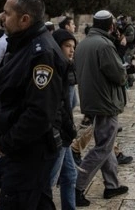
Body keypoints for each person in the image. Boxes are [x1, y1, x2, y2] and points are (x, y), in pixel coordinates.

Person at [0, 0, 66, 209]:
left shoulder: (42, 54)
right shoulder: (24, 45)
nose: (1, 17)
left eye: (6, 13)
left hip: (29, 152)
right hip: (25, 150)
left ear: (24, 19)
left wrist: (7, 142)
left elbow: (39, 113)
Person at [73, 10, 129, 206]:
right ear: (110, 26)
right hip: (106, 102)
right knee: (103, 147)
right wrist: (124, 67)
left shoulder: (84, 43)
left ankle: (112, 185)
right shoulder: (104, 45)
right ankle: (77, 187)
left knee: (106, 144)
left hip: (92, 101)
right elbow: (119, 75)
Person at [50, 29, 79, 210]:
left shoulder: (65, 68)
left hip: (65, 132)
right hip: (58, 134)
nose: (71, 50)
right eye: (67, 46)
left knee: (70, 175)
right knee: (50, 180)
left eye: (73, 47)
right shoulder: (54, 70)